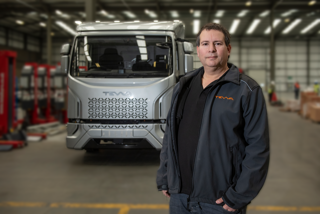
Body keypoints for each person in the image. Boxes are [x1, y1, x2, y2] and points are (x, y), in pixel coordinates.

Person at [156, 23, 270, 214]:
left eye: (217, 43)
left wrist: (238, 196)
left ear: (228, 49)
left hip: (220, 200)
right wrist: (165, 176)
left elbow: (258, 148)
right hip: (180, 198)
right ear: (198, 50)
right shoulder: (183, 85)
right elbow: (170, 135)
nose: (211, 49)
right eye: (205, 44)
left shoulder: (246, 90)